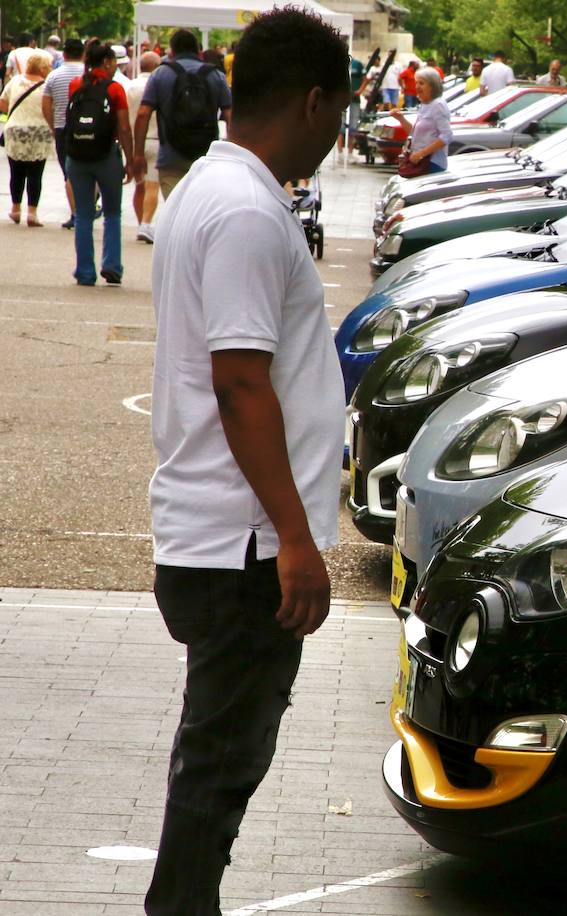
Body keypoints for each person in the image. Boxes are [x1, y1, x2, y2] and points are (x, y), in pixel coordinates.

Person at [143, 6, 348, 913]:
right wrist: (295, 541)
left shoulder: (210, 191)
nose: (341, 132)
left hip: (223, 536)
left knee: (218, 760)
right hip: (241, 549)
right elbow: (240, 384)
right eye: (339, 111)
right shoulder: (247, 213)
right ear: (313, 101)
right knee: (220, 769)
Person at [64, 42, 136, 286]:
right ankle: (112, 266)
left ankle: (85, 271)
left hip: (78, 156)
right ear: (106, 62)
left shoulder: (76, 86)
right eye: (113, 61)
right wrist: (130, 159)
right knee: (113, 213)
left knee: (83, 214)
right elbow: (124, 128)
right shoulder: (115, 89)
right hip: (106, 157)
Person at [133, 28, 232, 198]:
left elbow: (143, 114)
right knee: (201, 213)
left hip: (171, 158)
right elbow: (231, 116)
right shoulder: (216, 75)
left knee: (175, 213)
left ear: (171, 51)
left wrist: (138, 154)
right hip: (206, 158)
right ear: (198, 51)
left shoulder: (160, 74)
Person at [2, 52, 52, 226]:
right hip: (39, 132)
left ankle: (15, 209)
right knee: (35, 175)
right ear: (43, 68)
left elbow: (2, 102)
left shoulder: (15, 81)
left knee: (16, 173)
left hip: (15, 131)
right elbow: (50, 108)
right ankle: (32, 213)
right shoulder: (47, 86)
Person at [41, 37, 86, 229]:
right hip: (88, 128)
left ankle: (76, 214)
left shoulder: (54, 76)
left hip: (63, 128)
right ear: (83, 54)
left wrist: (53, 126)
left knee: (69, 173)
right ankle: (88, 208)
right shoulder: (89, 75)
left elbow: (45, 105)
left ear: (64, 54)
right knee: (88, 168)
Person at [125, 51, 162, 242]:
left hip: (132, 141)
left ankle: (141, 224)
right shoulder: (159, 85)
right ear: (157, 66)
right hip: (155, 139)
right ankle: (147, 223)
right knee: (152, 186)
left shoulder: (128, 86)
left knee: (139, 186)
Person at [391, 66, 449, 175]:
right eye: (416, 83)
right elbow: (414, 134)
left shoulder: (438, 105)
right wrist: (401, 119)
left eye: (421, 83)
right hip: (420, 162)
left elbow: (446, 136)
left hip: (432, 164)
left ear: (432, 86)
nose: (417, 87)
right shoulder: (425, 105)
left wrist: (421, 154)